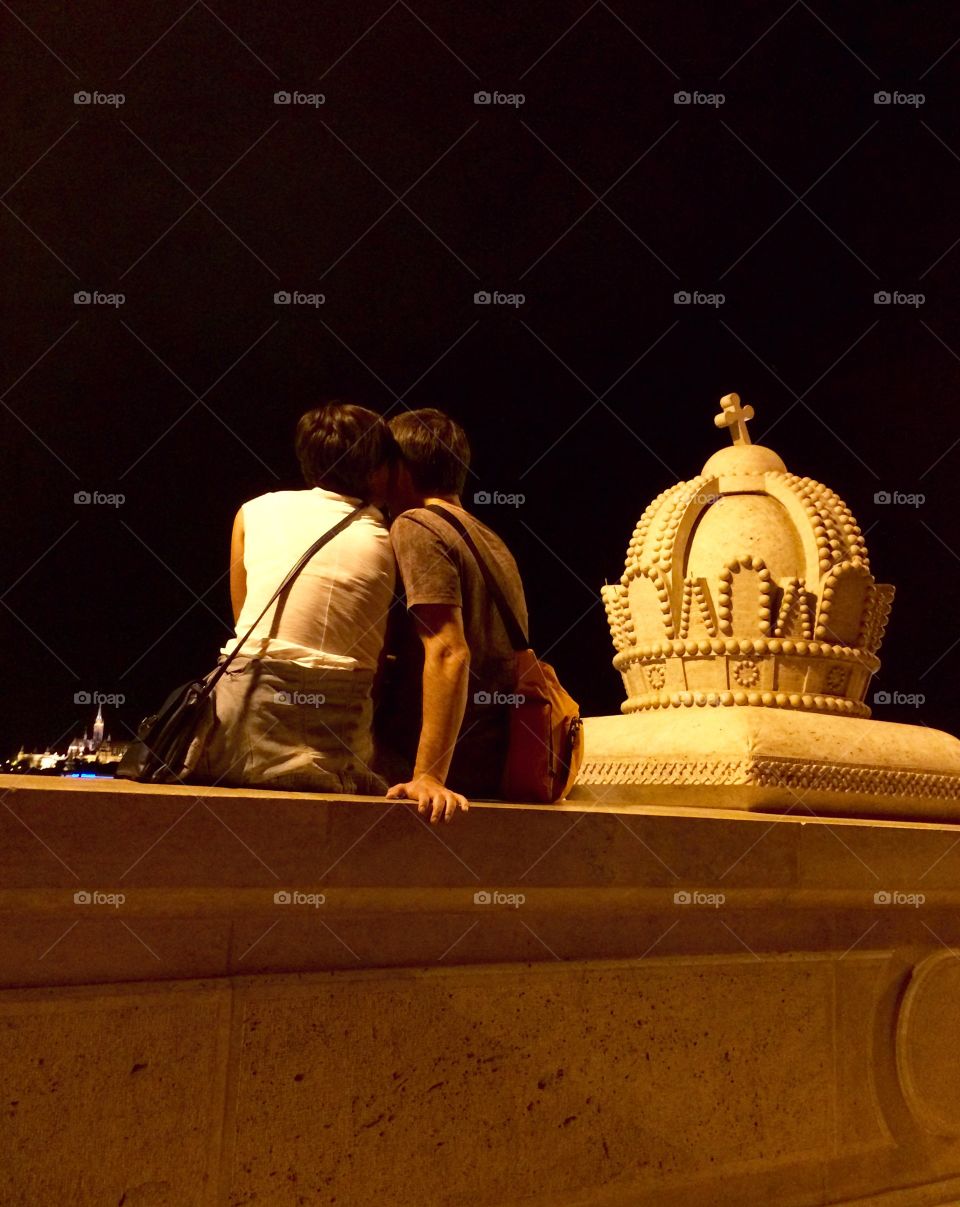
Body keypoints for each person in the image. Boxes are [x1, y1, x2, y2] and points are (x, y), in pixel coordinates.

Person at [195, 402, 397, 794]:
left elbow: (245, 623)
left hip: (245, 716)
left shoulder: (253, 512)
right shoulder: (387, 535)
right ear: (376, 469)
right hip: (339, 729)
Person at [378, 408, 529, 823]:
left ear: (401, 470)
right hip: (498, 756)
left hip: (454, 762)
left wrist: (429, 776)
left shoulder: (417, 525)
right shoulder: (489, 538)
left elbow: (449, 652)